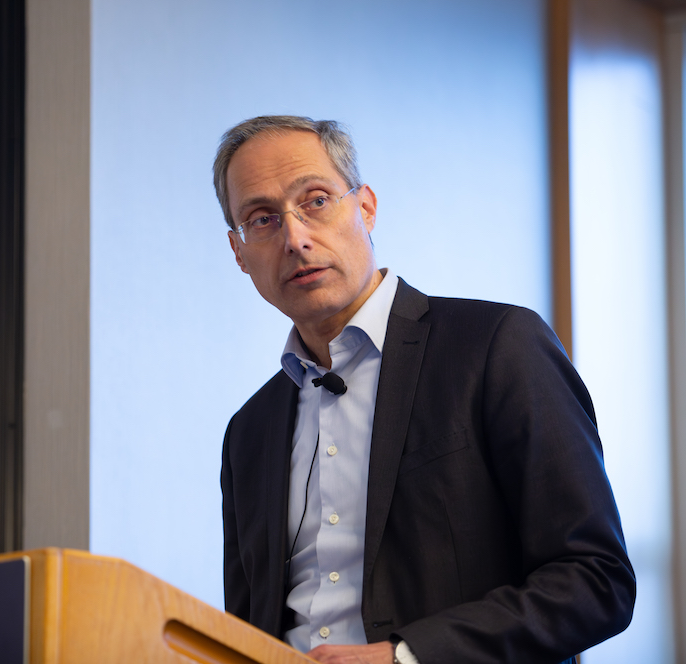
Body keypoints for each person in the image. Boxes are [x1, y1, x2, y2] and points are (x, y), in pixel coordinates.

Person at [216, 115, 635, 664]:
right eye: (262, 219)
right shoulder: (249, 432)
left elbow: (596, 581)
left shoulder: (496, 347)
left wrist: (404, 657)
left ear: (364, 207)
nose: (295, 238)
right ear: (239, 252)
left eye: (316, 200)